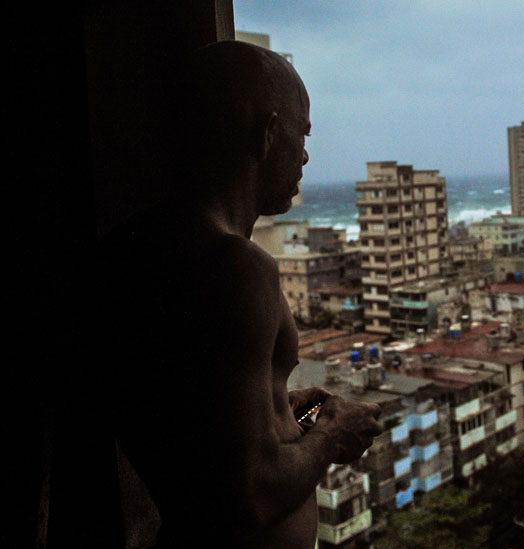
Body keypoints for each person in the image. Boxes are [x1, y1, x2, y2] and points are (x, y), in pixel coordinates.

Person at [100, 40, 382, 548]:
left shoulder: (135, 247)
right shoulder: (234, 267)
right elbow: (249, 494)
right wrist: (331, 434)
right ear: (268, 132)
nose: (305, 154)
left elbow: (193, 428)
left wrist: (283, 408)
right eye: (302, 134)